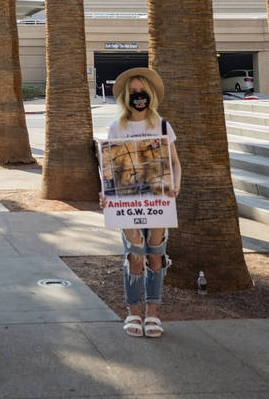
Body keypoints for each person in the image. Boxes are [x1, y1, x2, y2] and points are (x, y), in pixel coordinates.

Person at [103, 67, 181, 339]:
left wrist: (176, 184)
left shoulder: (161, 126)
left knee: (155, 255)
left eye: (143, 92)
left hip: (159, 200)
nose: (139, 96)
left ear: (150, 95)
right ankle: (133, 312)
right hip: (127, 202)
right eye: (134, 92)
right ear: (127, 96)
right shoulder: (116, 128)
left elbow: (174, 163)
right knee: (135, 255)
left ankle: (153, 314)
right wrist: (105, 193)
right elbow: (109, 168)